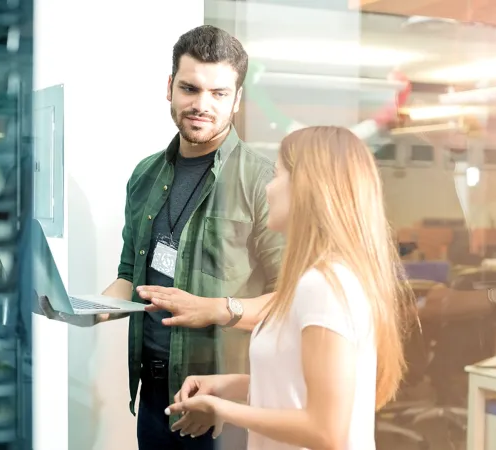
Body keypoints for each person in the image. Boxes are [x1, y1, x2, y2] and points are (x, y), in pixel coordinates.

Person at [39, 25, 285, 450]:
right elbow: (128, 277)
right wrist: (87, 310)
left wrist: (214, 309)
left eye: (219, 93)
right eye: (190, 88)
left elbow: (288, 301)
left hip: (222, 402)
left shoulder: (263, 182)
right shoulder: (145, 175)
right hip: (154, 395)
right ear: (170, 86)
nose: (201, 105)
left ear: (237, 100)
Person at [161, 126, 414, 450]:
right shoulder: (319, 280)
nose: (268, 188)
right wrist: (229, 387)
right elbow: (299, 388)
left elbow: (326, 431)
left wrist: (224, 410)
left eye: (278, 175)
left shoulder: (324, 286)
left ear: (308, 188)